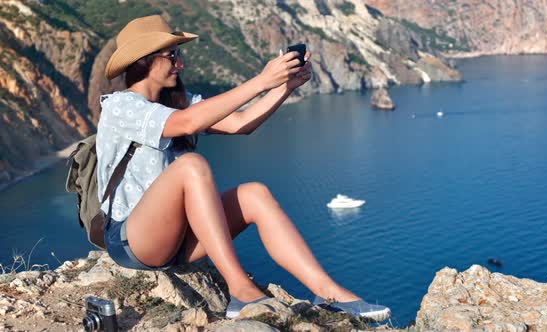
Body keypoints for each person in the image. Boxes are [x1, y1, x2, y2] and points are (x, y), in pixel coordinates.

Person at [97, 15, 391, 321]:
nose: (180, 64)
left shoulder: (178, 101)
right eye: (172, 56)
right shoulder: (121, 107)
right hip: (133, 241)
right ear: (145, 61)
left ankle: (329, 293)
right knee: (191, 165)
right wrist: (262, 80)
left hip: (176, 239)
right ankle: (239, 289)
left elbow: (239, 123)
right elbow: (187, 123)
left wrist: (285, 87)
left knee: (254, 194)